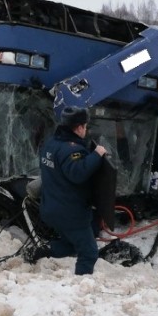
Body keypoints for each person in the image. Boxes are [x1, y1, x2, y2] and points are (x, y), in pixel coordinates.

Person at [33, 106, 109, 275]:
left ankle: (44, 250)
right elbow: (77, 173)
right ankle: (80, 287)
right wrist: (97, 154)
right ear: (80, 127)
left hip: (50, 208)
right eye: (85, 126)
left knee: (71, 244)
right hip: (70, 213)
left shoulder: (51, 143)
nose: (86, 130)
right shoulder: (72, 149)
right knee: (89, 252)